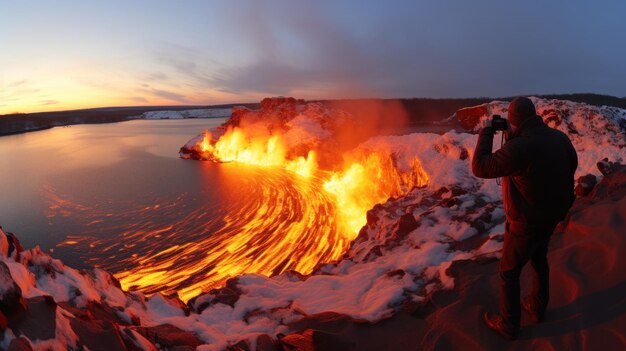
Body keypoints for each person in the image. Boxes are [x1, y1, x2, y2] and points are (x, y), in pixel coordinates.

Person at [471, 97, 578, 340]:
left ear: (515, 121)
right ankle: (538, 307)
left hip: (526, 222)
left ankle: (509, 326)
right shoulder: (559, 138)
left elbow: (480, 166)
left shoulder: (521, 147)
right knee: (539, 257)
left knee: (508, 272)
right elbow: (572, 164)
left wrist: (486, 132)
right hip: (551, 216)